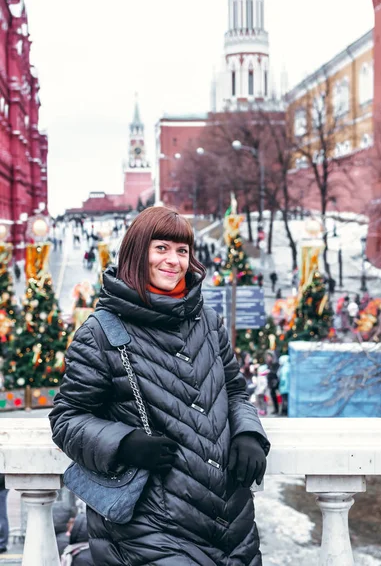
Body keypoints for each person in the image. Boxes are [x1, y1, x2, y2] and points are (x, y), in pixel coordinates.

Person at [49, 206, 270, 566]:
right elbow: (67, 418)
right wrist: (122, 444)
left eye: (182, 251)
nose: (174, 260)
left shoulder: (208, 321)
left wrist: (248, 433)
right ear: (138, 254)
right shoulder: (101, 332)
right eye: (162, 248)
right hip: (150, 524)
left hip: (230, 520)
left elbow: (234, 390)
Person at [265, 350, 280, 415]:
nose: (268, 358)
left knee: (276, 397)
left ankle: (278, 410)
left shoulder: (275, 364)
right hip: (270, 383)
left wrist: (269, 371)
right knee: (273, 396)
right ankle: (275, 409)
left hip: (275, 383)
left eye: (269, 356)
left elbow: (275, 373)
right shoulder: (269, 364)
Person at [0, 474, 9, 554]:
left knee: (1, 517)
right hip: (2, 484)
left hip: (1, 485)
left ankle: (2, 544)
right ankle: (2, 544)